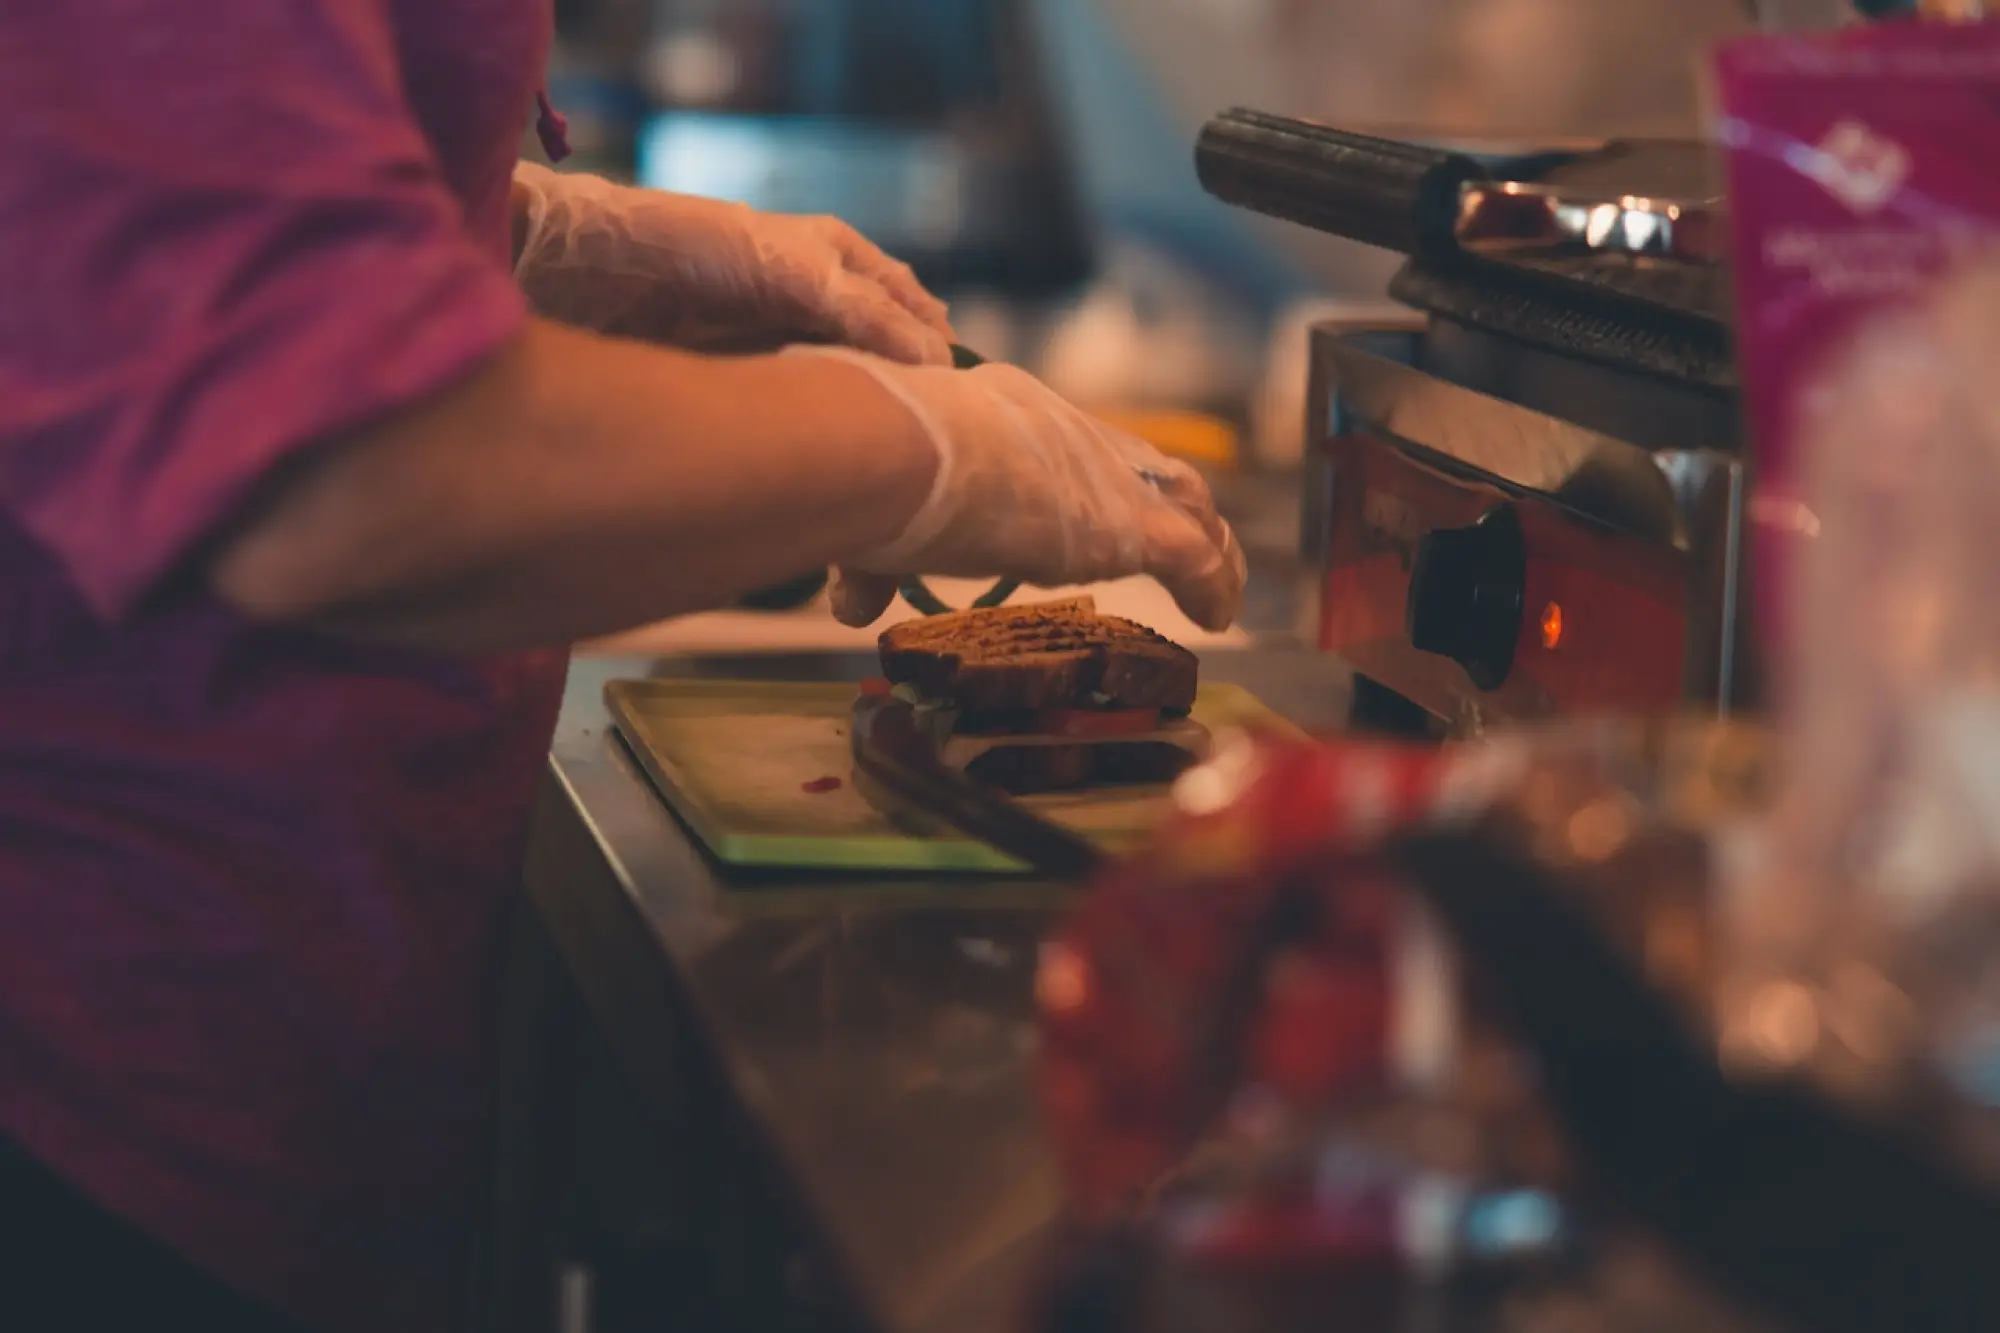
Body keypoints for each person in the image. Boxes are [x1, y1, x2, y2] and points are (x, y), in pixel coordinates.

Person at [0, 5, 1245, 1333]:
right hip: (99, 1095)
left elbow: (153, 197)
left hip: (291, 1044)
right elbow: (335, 472)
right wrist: (921, 455)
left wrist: (569, 240)